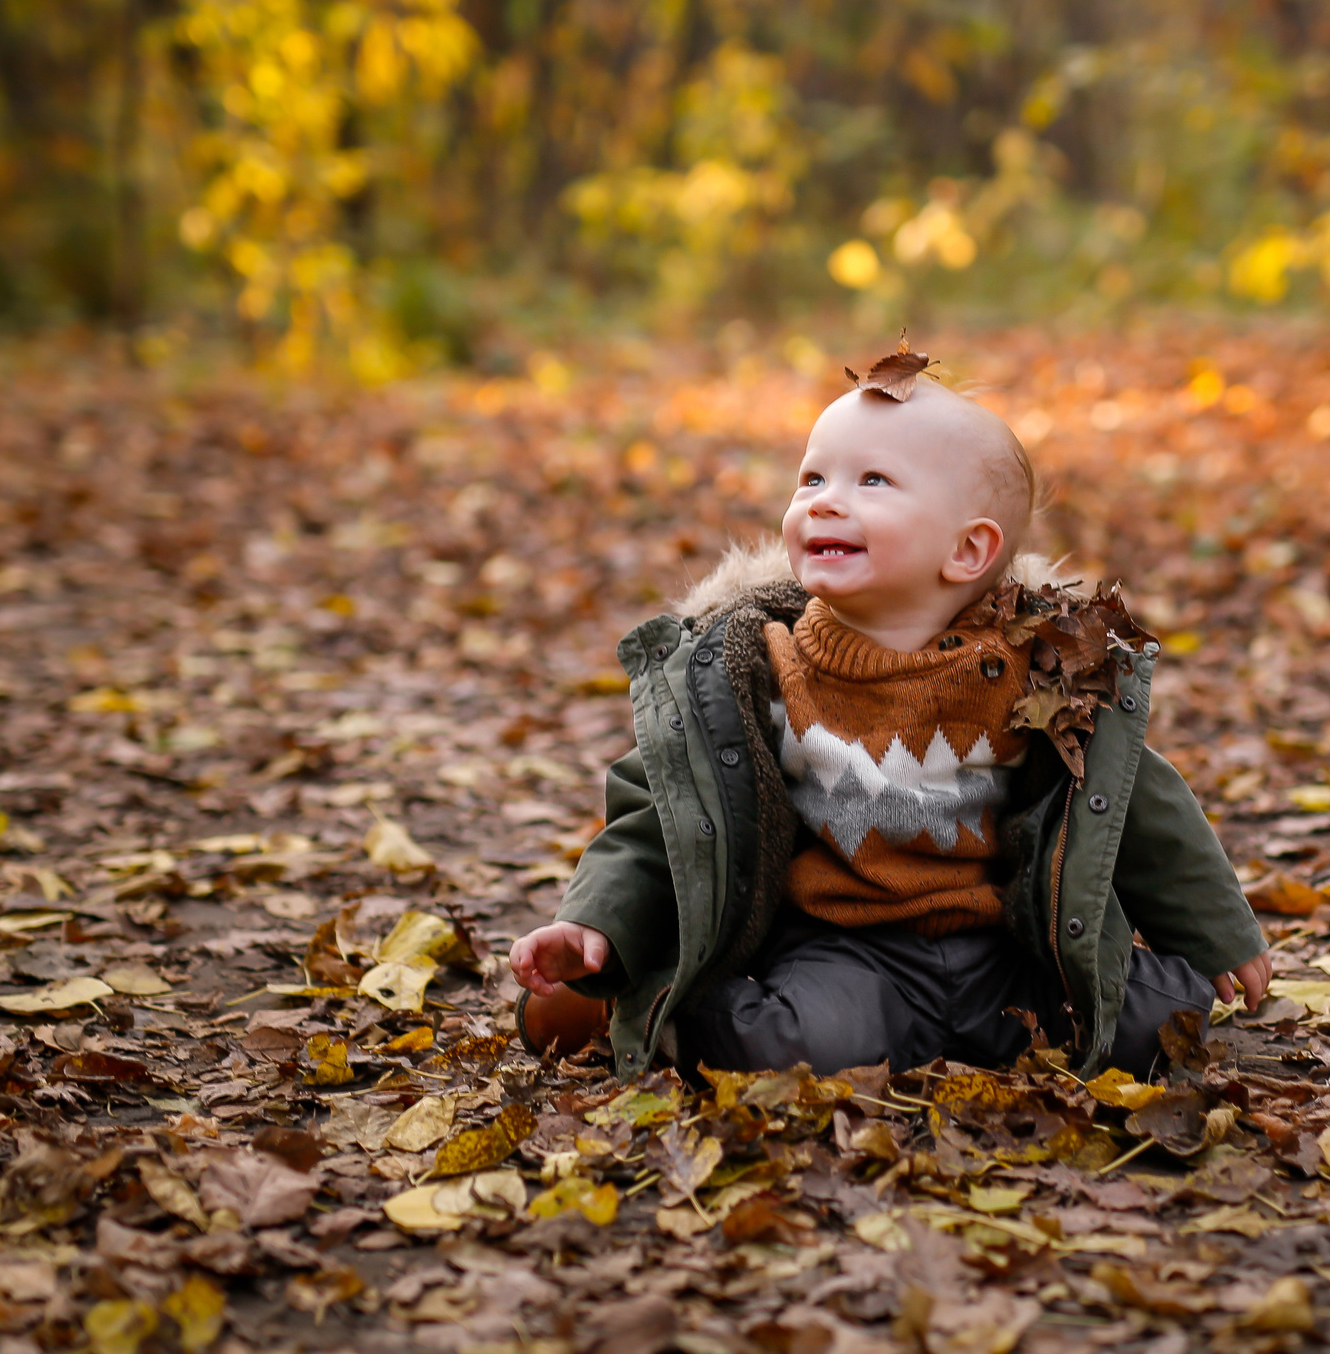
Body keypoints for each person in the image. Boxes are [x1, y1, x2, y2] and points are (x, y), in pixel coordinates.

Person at [506, 359, 1271, 1080]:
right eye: (812, 476)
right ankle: (643, 1001)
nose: (824, 499)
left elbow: (1127, 797)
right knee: (788, 1044)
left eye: (873, 479)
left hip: (1004, 951)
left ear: (969, 549)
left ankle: (989, 1027)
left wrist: (1215, 931)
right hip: (842, 953)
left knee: (1158, 1021)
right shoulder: (752, 672)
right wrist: (599, 922)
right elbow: (660, 816)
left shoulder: (1036, 675)